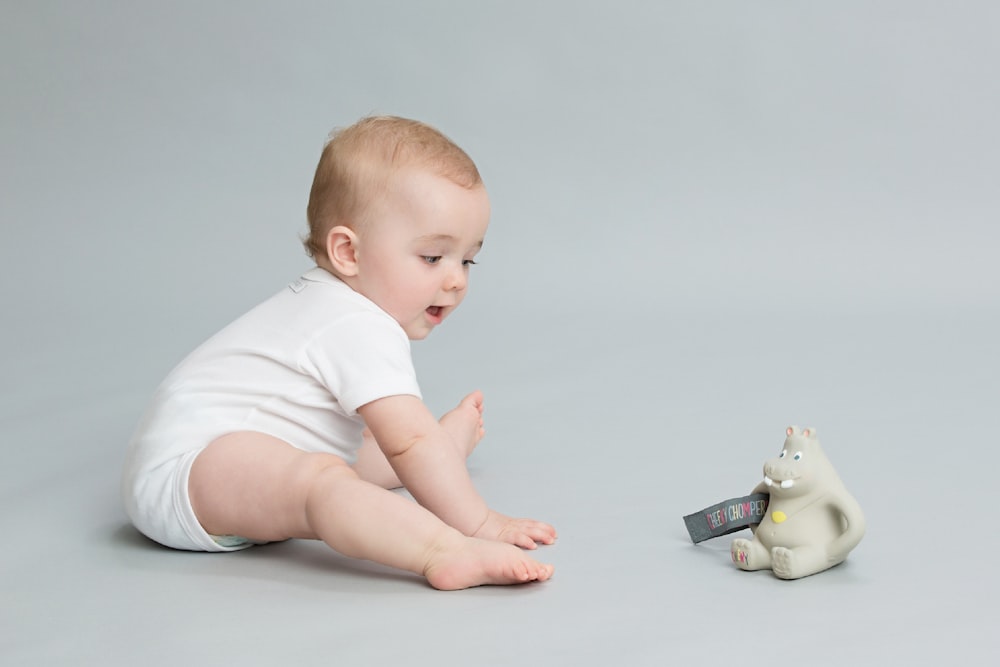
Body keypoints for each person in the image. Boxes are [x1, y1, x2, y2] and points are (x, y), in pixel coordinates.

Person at [121, 116, 556, 590]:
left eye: (467, 259)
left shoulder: (335, 304)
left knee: (352, 450)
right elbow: (408, 440)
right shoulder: (353, 321)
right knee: (327, 476)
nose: (455, 280)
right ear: (348, 252)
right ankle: (442, 550)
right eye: (433, 257)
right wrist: (480, 524)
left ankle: (441, 460)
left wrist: (428, 452)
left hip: (239, 467)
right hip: (183, 476)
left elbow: (395, 441)